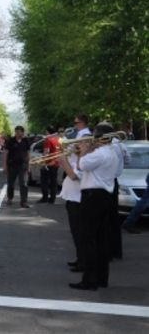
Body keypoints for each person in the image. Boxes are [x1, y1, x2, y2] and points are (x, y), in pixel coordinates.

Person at [59, 123, 122, 290]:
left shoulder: (100, 154)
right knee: (101, 240)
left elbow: (81, 166)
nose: (91, 138)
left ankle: (90, 280)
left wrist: (84, 151)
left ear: (100, 138)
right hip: (104, 196)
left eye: (94, 135)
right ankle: (101, 278)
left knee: (89, 239)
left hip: (92, 197)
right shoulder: (112, 153)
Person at [59, 149, 84, 271]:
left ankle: (83, 261)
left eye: (81, 143)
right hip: (73, 199)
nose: (78, 146)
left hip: (78, 200)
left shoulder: (88, 161)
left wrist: (63, 161)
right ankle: (80, 258)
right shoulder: (81, 159)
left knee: (80, 233)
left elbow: (73, 176)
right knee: (76, 232)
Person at [3, 126, 31, 208]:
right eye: (16, 132)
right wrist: (5, 166)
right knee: (11, 183)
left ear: (23, 132)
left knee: (24, 183)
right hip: (12, 165)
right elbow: (6, 153)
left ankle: (24, 201)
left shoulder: (26, 141)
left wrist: (29, 165)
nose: (18, 134)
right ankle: (10, 198)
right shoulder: (10, 141)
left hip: (23, 166)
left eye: (19, 132)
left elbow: (28, 154)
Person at [39, 126, 60, 203]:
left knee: (44, 181)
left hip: (48, 163)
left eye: (46, 131)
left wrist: (43, 162)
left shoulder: (47, 140)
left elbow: (46, 152)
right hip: (56, 163)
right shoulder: (58, 140)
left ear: (48, 132)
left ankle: (45, 198)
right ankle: (52, 198)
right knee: (53, 182)